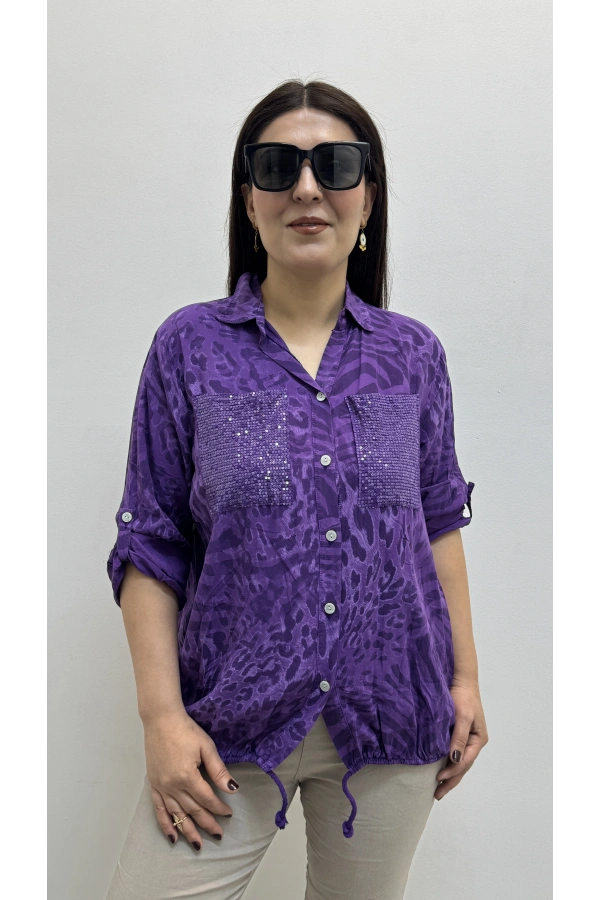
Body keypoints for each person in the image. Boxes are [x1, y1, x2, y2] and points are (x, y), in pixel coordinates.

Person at [104, 79, 488, 900]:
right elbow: (151, 543)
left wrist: (465, 681)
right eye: (279, 166)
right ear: (249, 201)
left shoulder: (413, 355)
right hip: (229, 721)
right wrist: (161, 718)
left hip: (392, 715)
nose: (307, 187)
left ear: (368, 198)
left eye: (335, 165)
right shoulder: (190, 347)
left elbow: (437, 524)